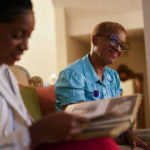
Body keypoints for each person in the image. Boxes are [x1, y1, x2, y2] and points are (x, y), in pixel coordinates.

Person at [0, 1, 122, 150]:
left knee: (104, 142)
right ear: (94, 40)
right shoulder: (73, 74)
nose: (25, 46)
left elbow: (25, 124)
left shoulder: (6, 74)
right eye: (17, 35)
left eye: (28, 37)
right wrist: (39, 132)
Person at [55, 21, 150, 149]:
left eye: (122, 45)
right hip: (83, 139)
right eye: (114, 40)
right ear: (95, 40)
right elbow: (79, 124)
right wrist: (119, 139)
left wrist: (129, 133)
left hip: (114, 133)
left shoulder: (113, 76)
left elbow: (118, 115)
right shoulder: (72, 74)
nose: (118, 49)